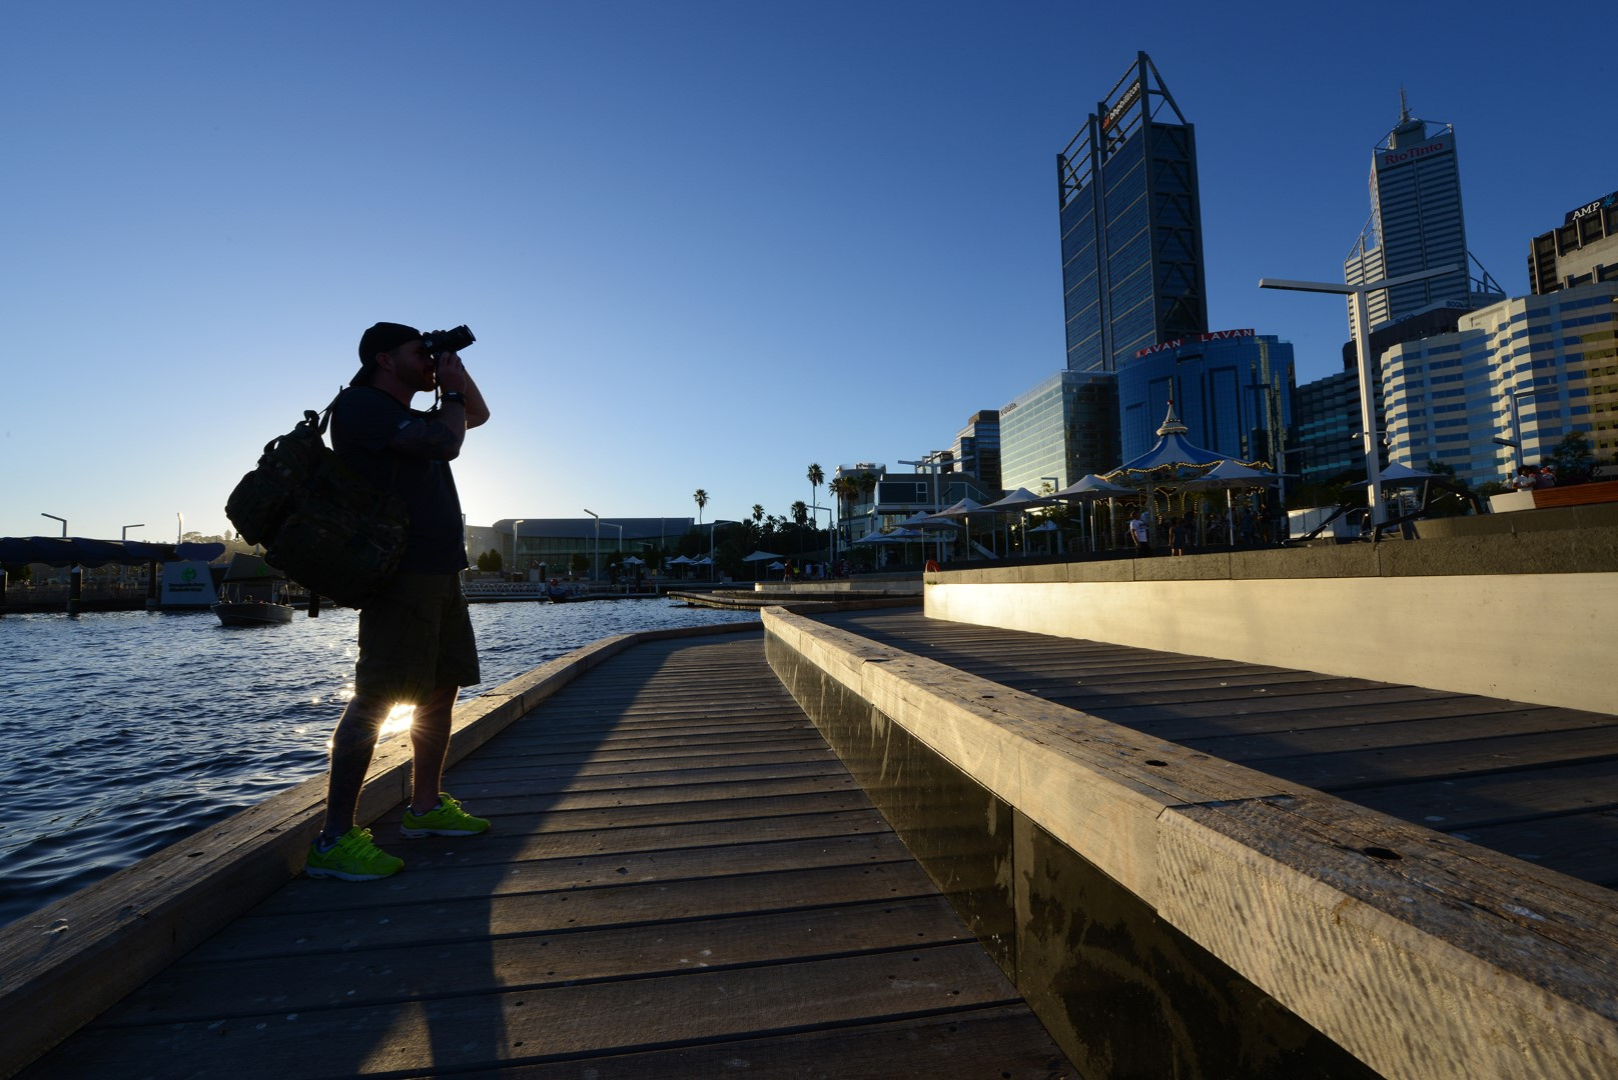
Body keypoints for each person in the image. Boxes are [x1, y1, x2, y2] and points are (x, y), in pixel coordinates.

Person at [305, 322, 493, 882]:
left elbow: (476, 415)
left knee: (440, 687)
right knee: (377, 698)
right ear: (385, 359)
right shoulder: (361, 406)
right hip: (400, 574)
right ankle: (333, 840)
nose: (430, 360)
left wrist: (454, 370)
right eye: (420, 352)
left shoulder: (415, 411)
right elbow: (447, 442)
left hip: (439, 571)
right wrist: (448, 388)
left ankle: (425, 808)